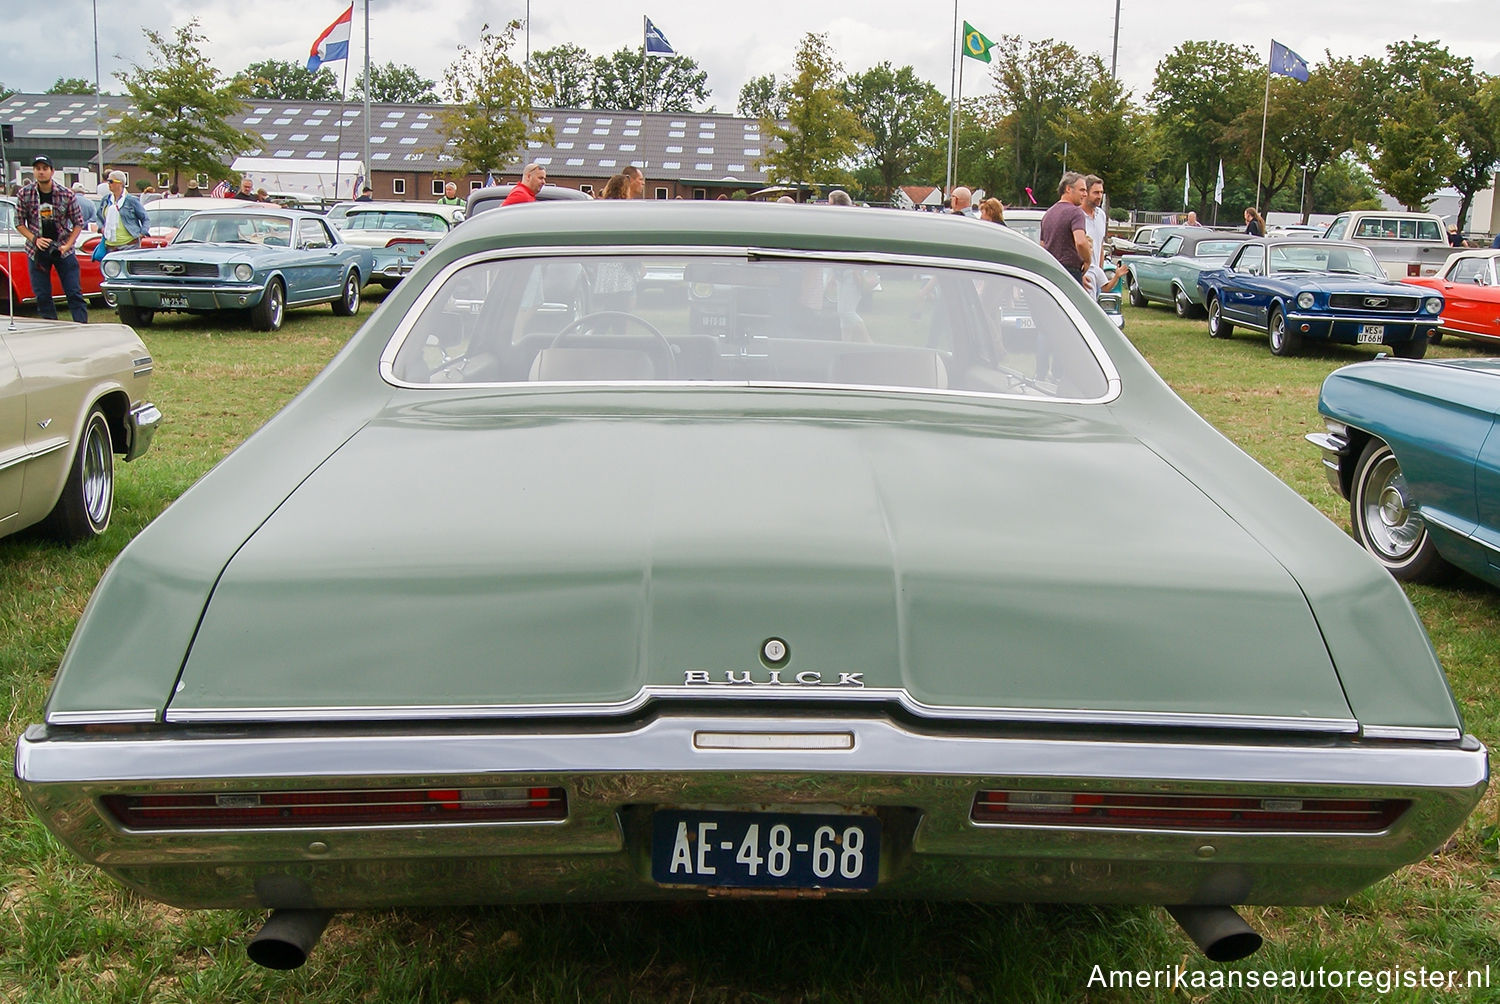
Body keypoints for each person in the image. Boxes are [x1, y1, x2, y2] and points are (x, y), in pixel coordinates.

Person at [15, 155, 89, 323]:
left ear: (52, 171)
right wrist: (35, 239)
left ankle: (82, 326)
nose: (41, 172)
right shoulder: (24, 194)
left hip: (63, 248)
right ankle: (51, 327)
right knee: (42, 295)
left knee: (74, 292)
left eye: (45, 168)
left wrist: (68, 245)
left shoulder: (66, 194)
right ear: (33, 171)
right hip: (37, 250)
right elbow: (18, 222)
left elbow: (78, 223)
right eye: (38, 169)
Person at [1039, 171, 1092, 289]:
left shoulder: (1048, 213)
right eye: (1082, 190)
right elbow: (1081, 242)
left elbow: (1042, 245)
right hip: (1070, 271)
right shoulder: (1075, 212)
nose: (1085, 194)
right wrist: (1088, 261)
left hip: (1051, 270)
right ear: (1068, 189)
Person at [98, 170, 149, 254]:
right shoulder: (106, 200)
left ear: (120, 183)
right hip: (110, 246)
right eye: (108, 181)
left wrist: (142, 233)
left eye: (111, 181)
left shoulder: (131, 200)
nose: (108, 184)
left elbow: (145, 218)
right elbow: (99, 217)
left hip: (129, 245)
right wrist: (101, 228)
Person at [1081, 175, 1109, 298]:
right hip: (1083, 276)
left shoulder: (1101, 216)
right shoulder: (1076, 216)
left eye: (1101, 192)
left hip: (1096, 276)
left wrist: (1100, 272)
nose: (1099, 196)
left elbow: (1100, 245)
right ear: (1085, 192)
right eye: (1096, 192)